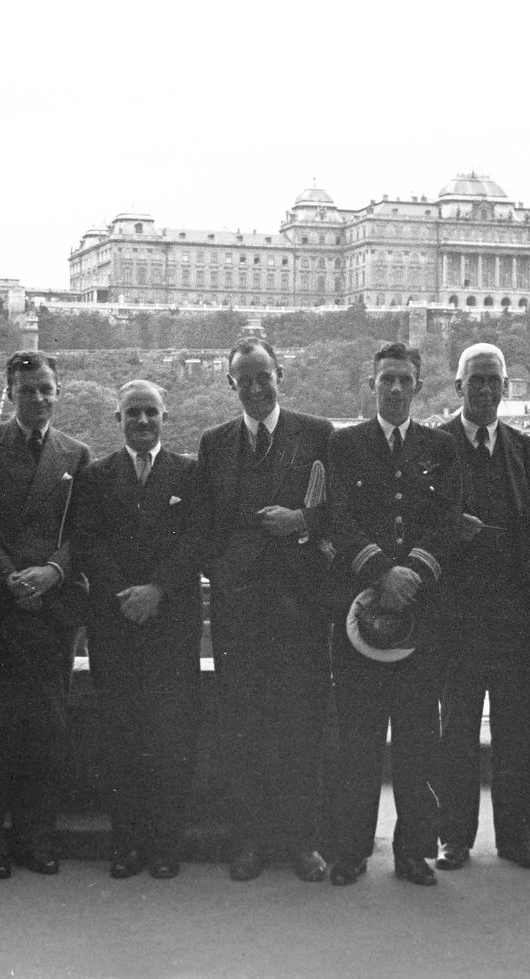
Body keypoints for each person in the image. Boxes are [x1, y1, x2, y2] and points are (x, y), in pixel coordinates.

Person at [195, 338, 335, 883]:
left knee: (303, 726)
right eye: (243, 380)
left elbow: (341, 513)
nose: (255, 388)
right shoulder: (215, 443)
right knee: (244, 729)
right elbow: (205, 528)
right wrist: (227, 576)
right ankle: (250, 842)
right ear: (231, 384)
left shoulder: (318, 433)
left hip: (301, 610)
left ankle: (303, 843)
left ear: (281, 374)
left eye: (263, 377)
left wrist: (303, 521)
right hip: (240, 613)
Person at [325, 341, 463, 888]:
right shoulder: (345, 445)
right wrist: (383, 571)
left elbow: (448, 520)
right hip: (361, 611)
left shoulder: (441, 447)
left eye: (406, 380)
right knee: (357, 741)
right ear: (372, 385)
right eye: (387, 380)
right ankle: (351, 850)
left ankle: (412, 852)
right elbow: (338, 515)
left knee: (416, 742)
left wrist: (413, 573)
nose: (396, 389)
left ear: (419, 386)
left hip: (420, 618)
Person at [0, 350, 90, 880]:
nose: (36, 399)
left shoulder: (75, 454)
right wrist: (10, 577)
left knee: (46, 734)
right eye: (26, 390)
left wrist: (53, 572)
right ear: (9, 394)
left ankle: (36, 839)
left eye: (45, 390)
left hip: (50, 615)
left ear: (58, 393)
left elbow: (86, 529)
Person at [74, 380, 204, 880]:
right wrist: (125, 594)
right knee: (121, 738)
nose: (143, 422)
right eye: (134, 414)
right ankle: (126, 844)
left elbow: (197, 540)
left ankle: (166, 846)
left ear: (164, 418)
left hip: (171, 624)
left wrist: (157, 590)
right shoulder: (96, 475)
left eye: (151, 413)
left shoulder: (190, 474)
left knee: (172, 738)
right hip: (115, 625)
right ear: (118, 420)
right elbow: (88, 542)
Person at [435, 343, 530, 872]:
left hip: (513, 621)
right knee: (455, 732)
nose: (484, 389)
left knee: (518, 736)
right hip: (456, 619)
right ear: (458, 388)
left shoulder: (526, 452)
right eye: (474, 380)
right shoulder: (432, 446)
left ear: (506, 388)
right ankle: (454, 839)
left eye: (493, 380)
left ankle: (516, 839)